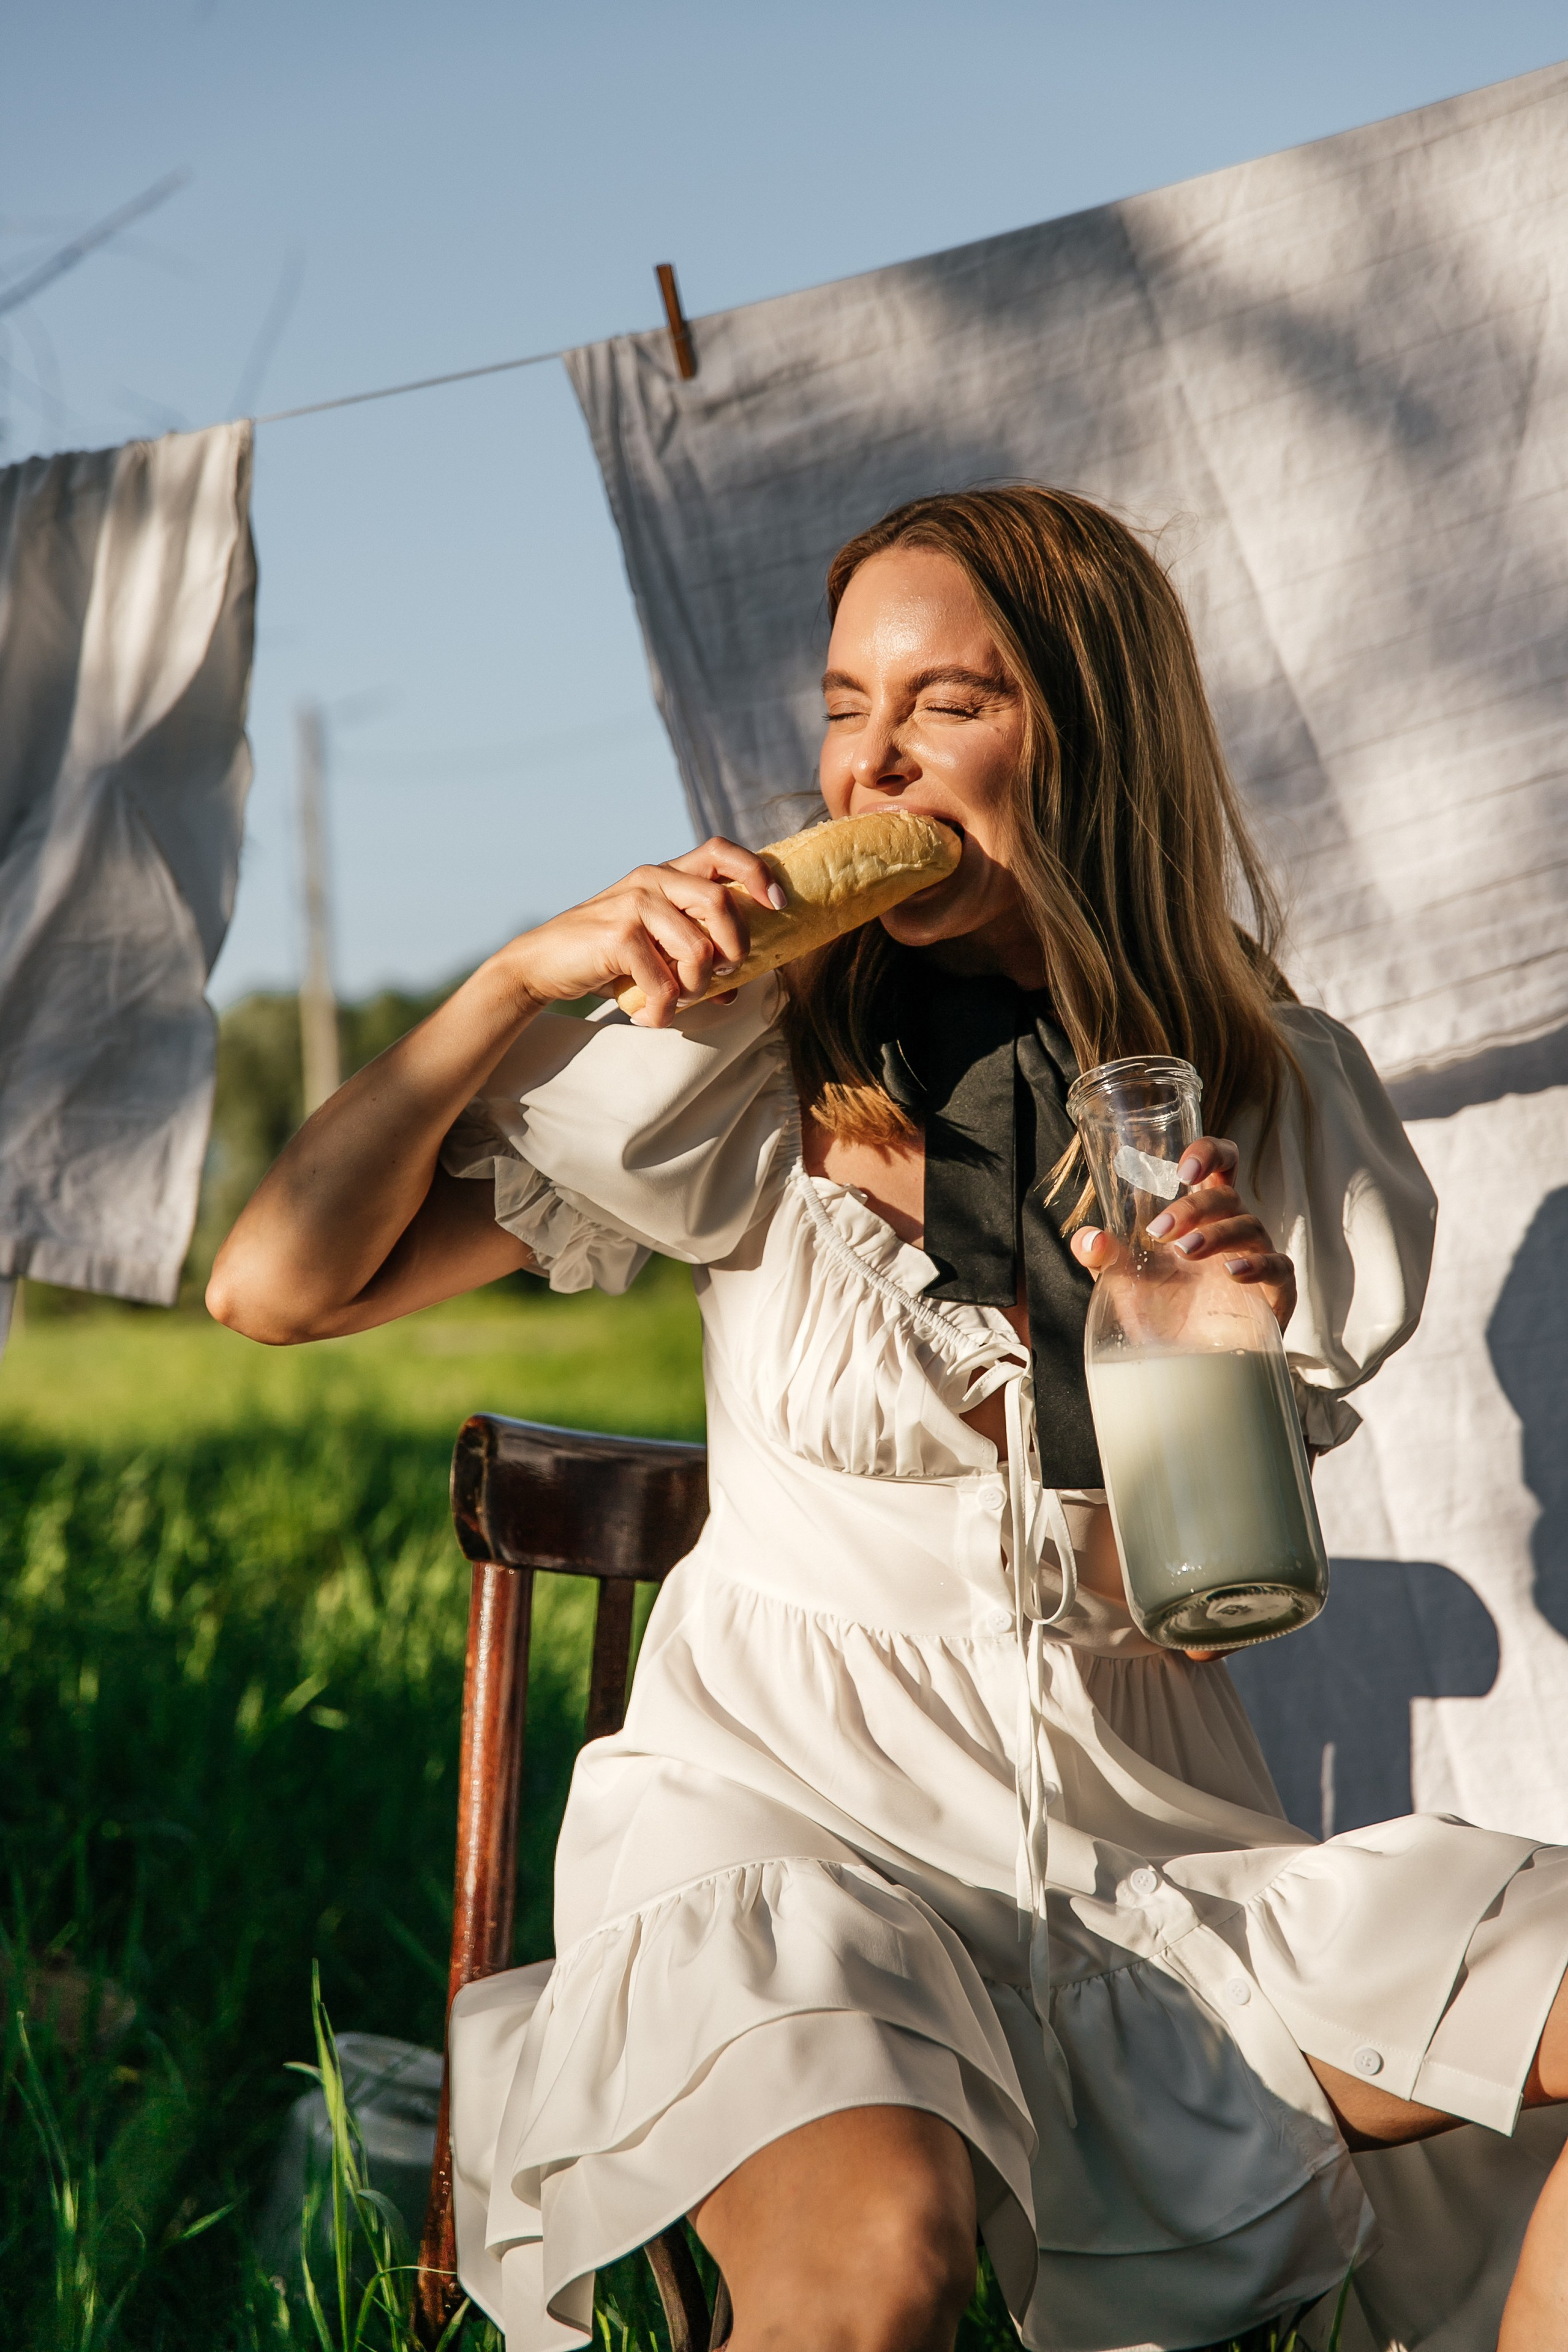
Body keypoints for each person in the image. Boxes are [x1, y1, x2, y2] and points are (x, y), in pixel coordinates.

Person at [210, 488, 1568, 2352]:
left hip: (1145, 1855)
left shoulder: (1252, 1100)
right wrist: (516, 979)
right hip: (783, 1842)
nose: (873, 760)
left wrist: (1177, 1374)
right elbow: (277, 1287)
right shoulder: (748, 1069)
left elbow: (1188, 1606)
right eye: (848, 705)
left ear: (1084, 737)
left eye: (949, 703)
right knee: (875, 2262)